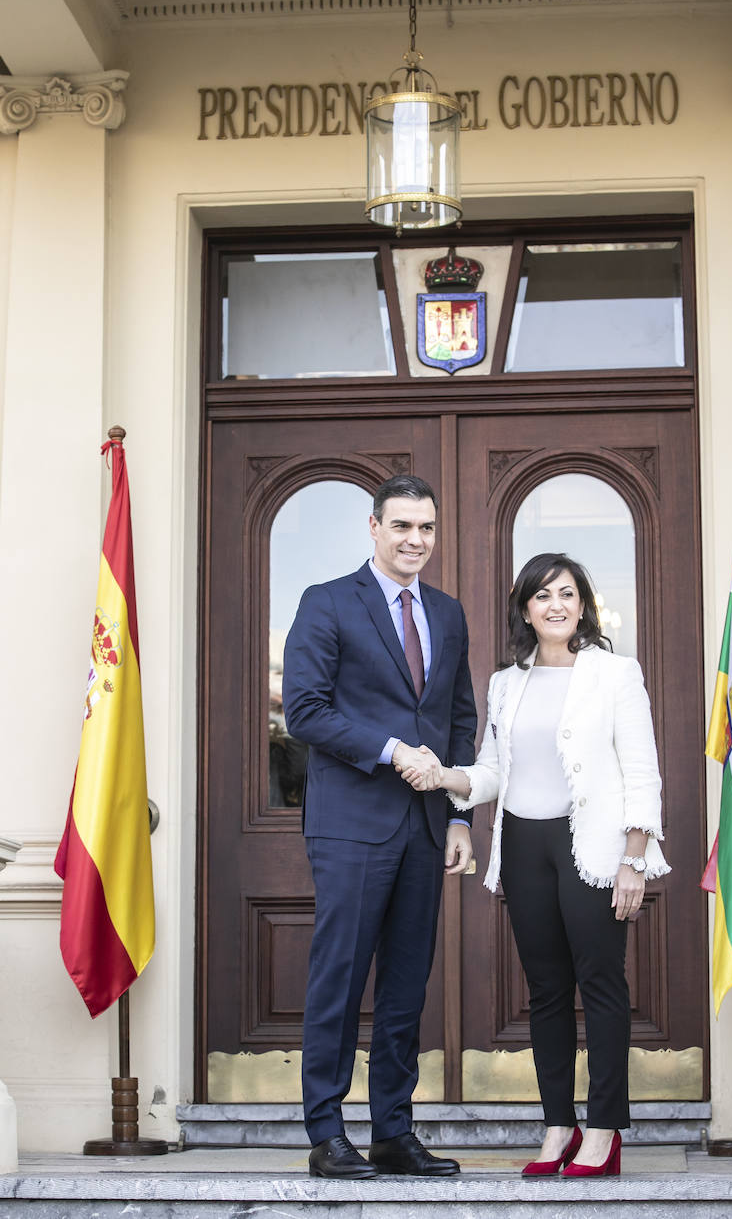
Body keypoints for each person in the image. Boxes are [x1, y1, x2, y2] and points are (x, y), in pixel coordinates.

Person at [395, 552, 670, 1179]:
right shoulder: (506, 683)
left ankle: (602, 1131)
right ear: (525, 608)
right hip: (522, 845)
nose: (556, 605)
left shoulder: (615, 675)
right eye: (543, 596)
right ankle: (557, 1128)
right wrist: (447, 778)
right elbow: (493, 770)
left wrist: (634, 858)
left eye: (567, 594)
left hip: (594, 849)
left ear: (582, 606)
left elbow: (642, 771)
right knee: (546, 993)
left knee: (600, 985)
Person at [283, 474, 477, 1179]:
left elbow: (459, 718)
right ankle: (326, 1131)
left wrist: (460, 814)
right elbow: (303, 711)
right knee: (339, 975)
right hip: (351, 824)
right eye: (401, 527)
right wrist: (393, 751)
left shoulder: (449, 614)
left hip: (427, 827)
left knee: (406, 983)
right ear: (373, 528)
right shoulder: (328, 602)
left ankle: (394, 1129)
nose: (415, 541)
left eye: (426, 528)